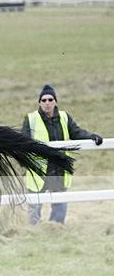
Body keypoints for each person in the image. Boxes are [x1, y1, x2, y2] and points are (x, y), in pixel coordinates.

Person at [21, 84, 103, 225]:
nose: (47, 103)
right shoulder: (31, 119)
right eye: (44, 100)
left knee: (59, 204)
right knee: (34, 205)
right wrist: (23, 164)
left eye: (50, 100)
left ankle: (56, 229)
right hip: (38, 171)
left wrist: (91, 137)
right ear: (39, 103)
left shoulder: (64, 117)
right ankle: (33, 231)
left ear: (55, 102)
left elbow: (76, 132)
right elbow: (23, 142)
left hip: (58, 168)